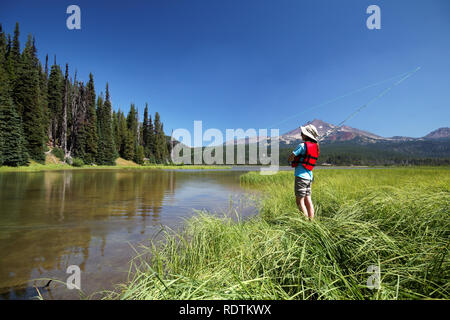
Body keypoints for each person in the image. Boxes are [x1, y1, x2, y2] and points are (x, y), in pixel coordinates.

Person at [287, 124, 320, 219]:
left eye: (302, 133)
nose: (301, 135)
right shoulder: (316, 147)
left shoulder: (301, 146)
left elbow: (291, 157)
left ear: (306, 135)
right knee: (308, 200)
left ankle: (305, 222)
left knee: (299, 201)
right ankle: (311, 220)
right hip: (309, 177)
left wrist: (290, 159)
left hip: (301, 177)